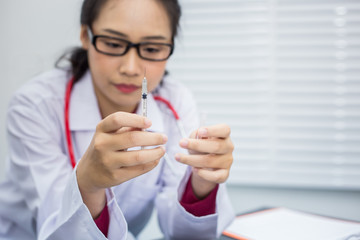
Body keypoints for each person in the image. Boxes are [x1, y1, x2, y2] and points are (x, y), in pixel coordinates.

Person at [0, 0, 235, 239]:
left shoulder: (176, 101)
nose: (130, 68)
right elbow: (55, 226)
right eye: (113, 43)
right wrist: (88, 185)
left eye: (152, 49)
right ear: (85, 35)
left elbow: (185, 234)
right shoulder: (35, 105)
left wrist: (200, 184)